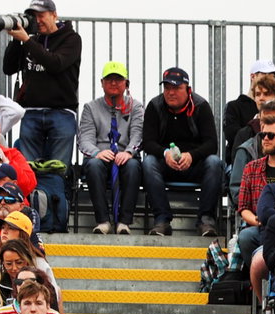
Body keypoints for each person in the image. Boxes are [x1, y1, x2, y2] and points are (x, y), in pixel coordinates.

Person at [0, 0, 80, 232]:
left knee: (57, 170)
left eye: (42, 15)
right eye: (33, 16)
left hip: (61, 113)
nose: (38, 20)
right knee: (29, 172)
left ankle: (57, 221)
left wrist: (28, 41)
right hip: (32, 112)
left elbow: (55, 63)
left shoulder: (71, 39)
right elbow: (8, 68)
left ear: (54, 14)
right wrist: (18, 39)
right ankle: (33, 222)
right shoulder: (30, 39)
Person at [140, 67, 224, 236]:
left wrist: (192, 156)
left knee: (215, 163)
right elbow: (147, 143)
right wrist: (165, 154)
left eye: (177, 88)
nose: (171, 93)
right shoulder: (154, 106)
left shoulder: (201, 106)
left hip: (194, 165)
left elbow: (211, 144)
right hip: (165, 165)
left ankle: (206, 220)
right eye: (167, 88)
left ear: (188, 90)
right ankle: (162, 220)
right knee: (148, 163)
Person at [76, 61, 142, 234]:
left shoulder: (136, 106)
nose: (114, 83)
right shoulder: (90, 108)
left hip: (126, 155)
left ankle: (124, 222)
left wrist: (128, 152)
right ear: (102, 83)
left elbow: (138, 134)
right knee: (93, 165)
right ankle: (103, 221)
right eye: (109, 79)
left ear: (126, 83)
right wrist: (97, 152)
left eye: (118, 79)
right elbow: (85, 139)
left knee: (134, 166)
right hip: (101, 155)